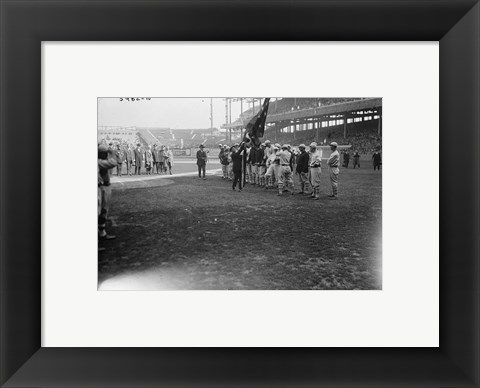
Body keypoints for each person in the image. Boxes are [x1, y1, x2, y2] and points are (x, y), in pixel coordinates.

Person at [98, 144, 117, 240]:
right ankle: (101, 233)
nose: (106, 155)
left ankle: (102, 232)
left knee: (104, 210)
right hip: (102, 187)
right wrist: (112, 153)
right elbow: (113, 163)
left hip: (105, 186)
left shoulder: (101, 161)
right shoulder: (100, 162)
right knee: (100, 211)